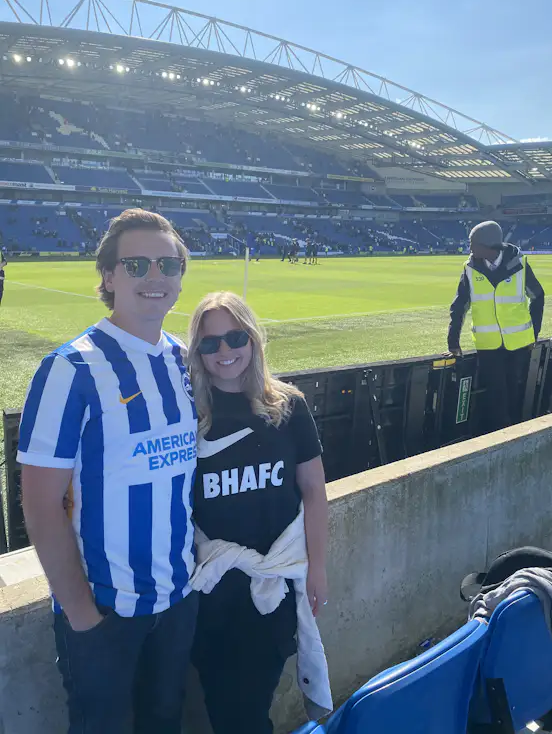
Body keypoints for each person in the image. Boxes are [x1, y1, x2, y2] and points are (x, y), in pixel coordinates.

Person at [18, 209, 199, 734]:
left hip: (177, 599)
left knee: (164, 722)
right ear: (109, 277)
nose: (155, 277)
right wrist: (82, 617)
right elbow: (40, 503)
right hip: (103, 610)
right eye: (137, 264)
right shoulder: (70, 368)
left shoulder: (183, 361)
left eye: (169, 264)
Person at [186, 291, 331, 734]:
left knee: (246, 712)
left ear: (253, 339)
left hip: (271, 588)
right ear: (198, 351)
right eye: (210, 344)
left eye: (234, 337)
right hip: (208, 590)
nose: (225, 352)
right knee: (221, 704)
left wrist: (318, 569)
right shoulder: (187, 413)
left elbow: (314, 491)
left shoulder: (288, 406)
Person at [448, 221, 545, 432]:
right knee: (496, 393)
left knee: (514, 389)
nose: (470, 248)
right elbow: (458, 306)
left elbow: (538, 296)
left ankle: (514, 433)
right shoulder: (470, 269)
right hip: (488, 346)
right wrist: (453, 342)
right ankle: (503, 437)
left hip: (518, 344)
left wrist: (533, 333)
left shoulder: (519, 264)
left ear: (489, 246)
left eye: (473, 243)